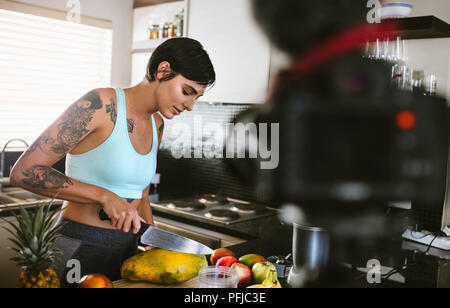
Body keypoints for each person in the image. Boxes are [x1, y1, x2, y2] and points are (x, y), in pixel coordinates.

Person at [9, 37, 215, 287]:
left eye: (197, 97)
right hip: (78, 246)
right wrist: (104, 196)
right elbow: (24, 171)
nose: (191, 105)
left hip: (127, 252)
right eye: (187, 91)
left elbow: (142, 195)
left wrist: (152, 242)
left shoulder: (157, 124)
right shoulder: (100, 104)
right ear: (163, 70)